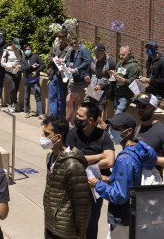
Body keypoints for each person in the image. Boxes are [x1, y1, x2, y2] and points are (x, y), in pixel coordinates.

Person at [88, 112, 157, 239]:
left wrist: (97, 184)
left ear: (129, 131)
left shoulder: (124, 159)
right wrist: (110, 179)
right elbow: (131, 180)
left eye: (116, 128)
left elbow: (120, 195)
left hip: (122, 218)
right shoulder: (138, 150)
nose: (111, 131)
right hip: (135, 213)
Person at [66, 102, 115, 239]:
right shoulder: (72, 133)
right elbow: (71, 159)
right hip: (76, 186)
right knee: (74, 224)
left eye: (80, 115)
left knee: (91, 225)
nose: (76, 117)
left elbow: (110, 161)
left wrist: (84, 161)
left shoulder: (103, 136)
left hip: (95, 188)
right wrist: (99, 156)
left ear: (91, 120)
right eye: (76, 114)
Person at [41, 115, 92, 239]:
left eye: (46, 134)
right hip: (50, 226)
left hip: (66, 232)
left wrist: (81, 232)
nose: (42, 137)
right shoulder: (51, 157)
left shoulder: (73, 165)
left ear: (58, 137)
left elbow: (82, 204)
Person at [134, 93, 164, 178]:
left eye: (144, 106)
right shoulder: (137, 129)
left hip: (151, 183)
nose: (140, 109)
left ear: (154, 108)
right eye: (138, 105)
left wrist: (150, 158)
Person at [65, 36, 91, 124]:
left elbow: (88, 61)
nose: (75, 45)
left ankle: (65, 120)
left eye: (76, 42)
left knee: (69, 99)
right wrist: (70, 64)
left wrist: (76, 69)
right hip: (73, 78)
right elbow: (68, 61)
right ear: (69, 45)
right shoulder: (72, 51)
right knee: (75, 101)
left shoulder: (84, 49)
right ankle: (72, 121)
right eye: (72, 44)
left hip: (80, 79)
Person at [47, 31, 72, 117]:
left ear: (66, 39)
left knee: (61, 100)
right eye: (60, 38)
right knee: (52, 98)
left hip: (63, 77)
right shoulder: (54, 49)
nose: (61, 40)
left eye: (63, 38)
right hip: (53, 76)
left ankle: (61, 119)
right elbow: (47, 62)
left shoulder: (69, 50)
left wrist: (64, 61)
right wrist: (51, 60)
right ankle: (53, 118)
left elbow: (72, 63)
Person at [85, 44, 116, 112]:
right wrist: (87, 76)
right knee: (86, 108)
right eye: (95, 53)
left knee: (97, 112)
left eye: (97, 53)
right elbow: (88, 72)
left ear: (103, 52)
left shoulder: (110, 63)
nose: (96, 55)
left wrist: (101, 86)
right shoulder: (93, 60)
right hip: (92, 88)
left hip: (102, 91)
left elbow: (112, 79)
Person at [110, 45, 140, 114]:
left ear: (129, 54)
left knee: (118, 114)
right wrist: (112, 75)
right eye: (120, 54)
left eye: (123, 55)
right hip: (117, 93)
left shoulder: (133, 66)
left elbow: (131, 82)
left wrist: (119, 77)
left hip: (125, 96)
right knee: (116, 114)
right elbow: (115, 76)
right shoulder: (120, 63)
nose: (120, 56)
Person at [21, 43, 46, 118]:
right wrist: (31, 66)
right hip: (27, 80)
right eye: (26, 50)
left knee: (37, 96)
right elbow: (23, 69)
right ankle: (27, 112)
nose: (27, 51)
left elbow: (43, 64)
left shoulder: (36, 56)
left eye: (29, 49)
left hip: (35, 80)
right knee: (26, 96)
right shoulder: (23, 59)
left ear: (31, 49)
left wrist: (37, 72)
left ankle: (40, 114)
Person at [1, 37, 23, 113]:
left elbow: (22, 61)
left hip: (18, 72)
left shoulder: (20, 51)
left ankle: (12, 104)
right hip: (9, 73)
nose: (17, 46)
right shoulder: (7, 51)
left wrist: (20, 66)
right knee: (12, 89)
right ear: (12, 43)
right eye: (16, 44)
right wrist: (11, 66)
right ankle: (14, 103)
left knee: (15, 90)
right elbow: (2, 63)